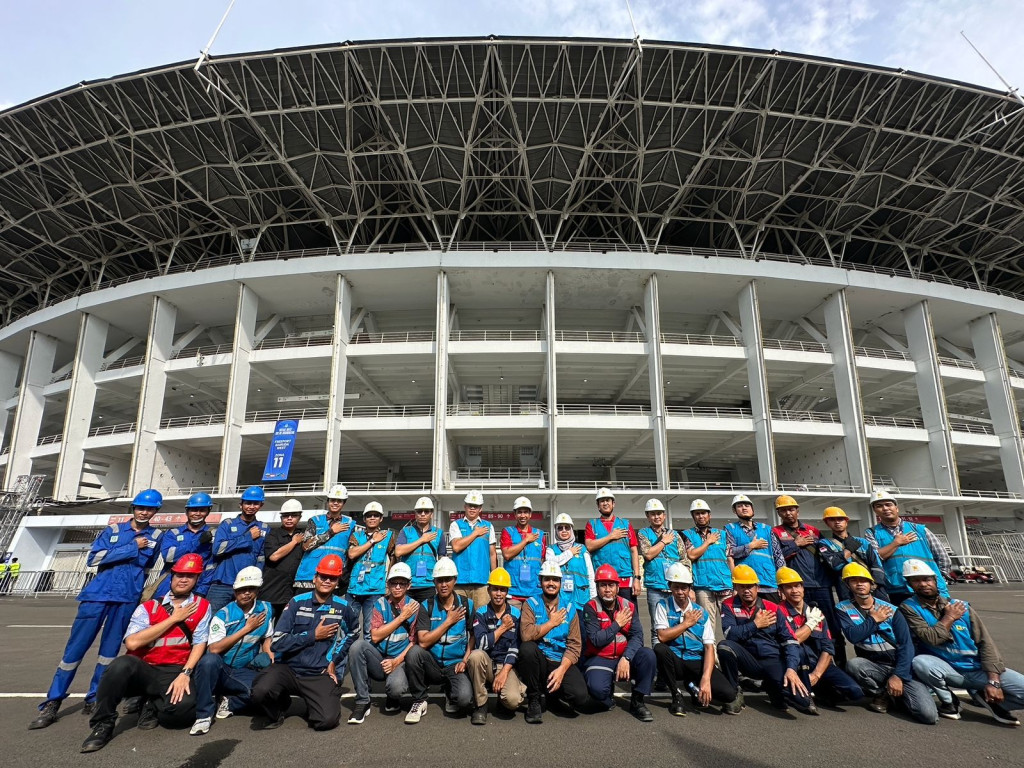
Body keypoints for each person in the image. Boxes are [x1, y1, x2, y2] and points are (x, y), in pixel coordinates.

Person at [30, 489, 164, 730]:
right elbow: (94, 558)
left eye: (150, 508)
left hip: (126, 599)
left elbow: (148, 566)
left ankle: (94, 697)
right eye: (141, 507)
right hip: (97, 596)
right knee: (74, 652)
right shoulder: (113, 531)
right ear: (133, 508)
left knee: (108, 654)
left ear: (156, 511)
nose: (145, 512)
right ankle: (52, 702)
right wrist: (131, 547)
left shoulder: (156, 536)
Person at [79, 553, 211, 753]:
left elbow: (200, 642)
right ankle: (102, 724)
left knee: (181, 716)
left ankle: (149, 703)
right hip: (145, 668)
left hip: (174, 670)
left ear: (197, 579)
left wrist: (185, 674)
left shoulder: (202, 606)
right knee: (119, 666)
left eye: (190, 576)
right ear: (171, 576)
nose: (183, 579)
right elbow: (132, 643)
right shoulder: (148, 606)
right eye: (179, 574)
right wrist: (173, 618)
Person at [901, 559, 1023, 725]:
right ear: (909, 584)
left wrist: (993, 682)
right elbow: (931, 638)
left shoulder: (962, 607)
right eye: (916, 581)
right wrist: (949, 617)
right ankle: (949, 702)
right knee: (920, 662)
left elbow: (985, 643)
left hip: (977, 668)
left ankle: (991, 702)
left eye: (927, 579)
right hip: (948, 670)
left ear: (936, 580)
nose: (923, 584)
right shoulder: (909, 608)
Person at [250, 554, 359, 730]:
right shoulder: (296, 603)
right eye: (323, 576)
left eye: (332, 578)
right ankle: (279, 708)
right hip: (288, 669)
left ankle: (316, 701)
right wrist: (312, 635)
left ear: (337, 582)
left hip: (318, 672)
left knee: (326, 721)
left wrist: (334, 661)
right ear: (315, 578)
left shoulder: (342, 607)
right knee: (260, 691)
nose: (326, 581)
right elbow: (277, 642)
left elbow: (353, 632)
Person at [834, 562, 937, 724]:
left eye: (863, 580)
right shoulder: (843, 608)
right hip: (874, 666)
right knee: (855, 665)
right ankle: (883, 692)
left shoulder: (892, 610)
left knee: (928, 716)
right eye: (854, 580)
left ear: (872, 584)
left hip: (900, 665)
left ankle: (894, 693)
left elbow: (906, 645)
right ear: (847, 584)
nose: (859, 584)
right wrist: (874, 619)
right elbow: (853, 636)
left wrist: (899, 676)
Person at [190, 565, 274, 734]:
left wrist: (271, 658)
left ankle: (229, 702)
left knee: (266, 693)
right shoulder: (223, 614)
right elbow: (214, 648)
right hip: (221, 668)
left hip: (244, 669)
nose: (246, 593)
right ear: (235, 591)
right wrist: (246, 629)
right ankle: (204, 715)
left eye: (251, 589)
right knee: (209, 660)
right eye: (242, 590)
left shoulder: (266, 609)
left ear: (258, 590)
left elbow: (267, 638)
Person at [653, 562, 741, 717]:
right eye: (676, 587)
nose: (680, 592)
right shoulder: (663, 606)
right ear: (670, 587)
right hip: (675, 660)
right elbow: (662, 636)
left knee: (728, 695)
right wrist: (686, 623)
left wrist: (706, 679)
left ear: (689, 588)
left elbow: (708, 647)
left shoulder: (701, 612)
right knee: (659, 649)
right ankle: (676, 695)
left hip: (695, 659)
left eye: (684, 588)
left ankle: (692, 684)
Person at [718, 564, 807, 714]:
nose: (746, 591)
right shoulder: (728, 605)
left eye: (750, 586)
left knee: (801, 702)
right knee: (724, 647)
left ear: (757, 587)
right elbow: (730, 634)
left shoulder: (773, 607)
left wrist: (791, 669)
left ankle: (771, 685)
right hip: (747, 660)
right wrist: (755, 624)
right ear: (736, 588)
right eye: (742, 587)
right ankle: (734, 693)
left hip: (771, 659)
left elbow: (790, 641)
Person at [518, 561, 598, 724]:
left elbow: (575, 645)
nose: (551, 583)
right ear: (540, 582)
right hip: (539, 660)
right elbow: (526, 635)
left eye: (555, 580)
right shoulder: (530, 604)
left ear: (561, 583)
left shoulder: (569, 608)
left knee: (580, 697)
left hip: (559, 660)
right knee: (527, 649)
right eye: (547, 579)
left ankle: (552, 697)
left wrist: (562, 670)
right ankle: (534, 699)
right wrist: (551, 623)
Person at [776, 566, 863, 710]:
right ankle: (798, 692)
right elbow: (792, 640)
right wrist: (811, 624)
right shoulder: (779, 611)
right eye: (789, 587)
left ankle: (819, 691)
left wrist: (817, 674)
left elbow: (827, 647)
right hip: (793, 663)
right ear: (782, 591)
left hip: (818, 664)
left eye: (797, 586)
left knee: (855, 691)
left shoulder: (816, 612)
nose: (795, 591)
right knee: (801, 700)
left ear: (803, 588)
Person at [772, 495, 845, 666]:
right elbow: (775, 558)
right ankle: (808, 665)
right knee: (801, 627)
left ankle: (841, 666)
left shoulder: (813, 530)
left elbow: (825, 555)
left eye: (791, 509)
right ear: (779, 513)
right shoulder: (775, 532)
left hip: (821, 586)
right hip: (796, 588)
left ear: (797, 510)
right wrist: (795, 544)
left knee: (832, 628)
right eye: (784, 510)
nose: (788, 513)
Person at [344, 563, 417, 724]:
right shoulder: (380, 604)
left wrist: (396, 661)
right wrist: (401, 617)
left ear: (409, 585)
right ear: (388, 583)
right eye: (393, 583)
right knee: (357, 647)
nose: (397, 587)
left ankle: (393, 697)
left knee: (396, 688)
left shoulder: (415, 607)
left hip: (400, 660)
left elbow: (415, 642)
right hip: (379, 657)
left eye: (402, 583)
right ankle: (362, 701)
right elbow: (375, 636)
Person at [581, 564, 656, 722]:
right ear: (597, 587)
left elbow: (638, 636)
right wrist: (617, 624)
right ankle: (606, 695)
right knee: (598, 691)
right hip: (600, 657)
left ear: (617, 587)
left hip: (622, 655)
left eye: (611, 585)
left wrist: (627, 657)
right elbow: (595, 640)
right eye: (603, 585)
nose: (607, 589)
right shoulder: (590, 607)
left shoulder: (628, 606)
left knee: (648, 655)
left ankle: (637, 701)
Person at [404, 557, 474, 724]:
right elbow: (423, 642)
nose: (444, 584)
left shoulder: (467, 604)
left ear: (455, 580)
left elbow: (473, 636)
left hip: (455, 665)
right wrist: (448, 621)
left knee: (463, 699)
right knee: (414, 653)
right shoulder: (426, 605)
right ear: (434, 582)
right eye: (439, 580)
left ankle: (451, 692)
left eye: (447, 580)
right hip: (432, 664)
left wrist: (465, 660)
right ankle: (420, 699)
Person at [865, 490, 952, 606]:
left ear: (896, 508)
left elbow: (943, 558)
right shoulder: (872, 533)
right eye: (879, 506)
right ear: (875, 510)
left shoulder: (920, 530)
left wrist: (939, 581)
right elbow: (874, 559)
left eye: (888, 504)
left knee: (942, 621)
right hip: (898, 590)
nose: (885, 508)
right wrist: (896, 543)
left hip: (932, 589)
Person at [466, 567, 527, 724]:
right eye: (495, 589)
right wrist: (502, 628)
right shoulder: (480, 613)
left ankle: (504, 699)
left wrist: (504, 672)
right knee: (475, 656)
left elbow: (515, 646)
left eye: (502, 590)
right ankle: (481, 705)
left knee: (513, 700)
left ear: (507, 592)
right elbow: (481, 643)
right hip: (486, 663)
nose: (498, 594)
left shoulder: (516, 614)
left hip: (506, 665)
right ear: (488, 590)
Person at [207, 486, 270, 614]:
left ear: (261, 505)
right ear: (240, 504)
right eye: (248, 503)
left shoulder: (264, 528)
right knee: (212, 619)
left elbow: (261, 558)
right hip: (223, 584)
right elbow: (217, 549)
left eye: (256, 503)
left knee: (242, 622)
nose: (251, 506)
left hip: (247, 586)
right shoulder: (228, 524)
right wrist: (247, 538)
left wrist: (255, 582)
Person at [682, 498, 732, 640]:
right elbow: (691, 554)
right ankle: (713, 659)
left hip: (725, 584)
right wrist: (708, 541)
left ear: (709, 515)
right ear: (693, 516)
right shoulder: (688, 534)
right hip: (703, 586)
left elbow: (729, 557)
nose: (701, 516)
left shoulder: (722, 534)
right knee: (707, 626)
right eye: (697, 513)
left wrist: (734, 581)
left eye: (703, 513)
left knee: (730, 624)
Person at [637, 498, 684, 645]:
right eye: (653, 514)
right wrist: (663, 541)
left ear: (664, 515)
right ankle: (659, 657)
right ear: (648, 516)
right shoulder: (643, 533)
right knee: (657, 626)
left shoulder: (675, 535)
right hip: (656, 587)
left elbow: (684, 559)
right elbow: (648, 554)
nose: (656, 516)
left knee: (677, 623)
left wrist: (689, 585)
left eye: (659, 513)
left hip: (676, 587)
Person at [817, 506, 888, 603]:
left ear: (846, 521)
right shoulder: (825, 543)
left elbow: (876, 564)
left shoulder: (862, 542)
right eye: (832, 520)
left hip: (873, 586)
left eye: (840, 519)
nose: (837, 522)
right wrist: (850, 549)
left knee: (884, 612)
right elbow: (835, 565)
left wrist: (874, 584)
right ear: (827, 523)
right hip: (846, 588)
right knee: (853, 616)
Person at [293, 484, 355, 594]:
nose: (335, 503)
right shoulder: (315, 521)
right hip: (309, 576)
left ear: (344, 503)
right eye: (333, 500)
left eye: (339, 501)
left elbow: (352, 552)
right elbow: (306, 546)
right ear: (328, 501)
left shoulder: (350, 524)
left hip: (333, 578)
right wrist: (331, 532)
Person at [153, 492, 215, 599]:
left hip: (197, 585)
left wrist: (201, 591)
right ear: (187, 511)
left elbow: (212, 566)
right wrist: (198, 542)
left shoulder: (214, 534)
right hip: (169, 584)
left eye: (202, 510)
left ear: (208, 512)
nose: (197, 513)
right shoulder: (173, 533)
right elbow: (168, 556)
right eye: (194, 510)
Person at [347, 501, 395, 640]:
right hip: (354, 589)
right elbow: (351, 554)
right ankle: (345, 659)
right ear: (364, 518)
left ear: (381, 518)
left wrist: (388, 584)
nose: (372, 518)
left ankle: (367, 659)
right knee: (350, 628)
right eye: (369, 515)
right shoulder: (357, 536)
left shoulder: (388, 537)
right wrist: (372, 541)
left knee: (370, 630)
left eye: (376, 515)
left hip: (375, 590)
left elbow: (394, 558)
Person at [725, 494, 784, 602]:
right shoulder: (730, 529)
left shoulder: (766, 529)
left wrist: (782, 582)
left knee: (774, 616)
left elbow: (778, 556)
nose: (744, 508)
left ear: (752, 509)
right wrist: (751, 546)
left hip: (769, 582)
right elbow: (730, 553)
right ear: (734, 511)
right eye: (739, 506)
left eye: (747, 505)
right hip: (746, 583)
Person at [584, 488, 640, 602]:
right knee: (604, 617)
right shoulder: (592, 524)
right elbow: (589, 546)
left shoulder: (626, 524)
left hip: (624, 579)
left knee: (628, 615)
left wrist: (637, 578)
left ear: (613, 503)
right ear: (598, 505)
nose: (605, 503)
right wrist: (611, 536)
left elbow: (634, 551)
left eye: (607, 500)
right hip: (602, 580)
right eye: (602, 501)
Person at [448, 490, 497, 610]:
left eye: (476, 506)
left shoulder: (488, 526)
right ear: (465, 506)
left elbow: (492, 554)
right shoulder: (456, 525)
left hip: (482, 583)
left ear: (480, 508)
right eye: (470, 505)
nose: (472, 508)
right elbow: (456, 546)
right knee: (458, 619)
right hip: (459, 582)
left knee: (481, 618)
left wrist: (494, 579)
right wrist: (475, 533)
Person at [260, 499, 306, 620]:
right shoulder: (273, 535)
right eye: (286, 516)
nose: (289, 518)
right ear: (281, 518)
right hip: (270, 593)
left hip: (290, 594)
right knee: (262, 630)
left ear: (299, 517)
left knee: (282, 632)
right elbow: (274, 556)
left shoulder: (303, 537)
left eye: (293, 515)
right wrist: (294, 542)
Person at [544, 512, 595, 617]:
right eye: (560, 528)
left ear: (571, 529)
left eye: (567, 527)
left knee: (583, 631)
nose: (564, 531)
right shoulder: (551, 549)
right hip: (560, 601)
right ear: (556, 530)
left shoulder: (582, 549)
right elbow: (551, 564)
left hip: (582, 601)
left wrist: (594, 598)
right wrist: (569, 553)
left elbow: (590, 574)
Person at [396, 496, 444, 602]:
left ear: (431, 514)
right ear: (415, 513)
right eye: (419, 511)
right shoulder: (406, 531)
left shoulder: (439, 533)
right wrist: (421, 540)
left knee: (426, 616)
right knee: (407, 616)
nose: (422, 514)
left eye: (426, 511)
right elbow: (398, 552)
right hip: (408, 583)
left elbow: (442, 559)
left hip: (429, 583)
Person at [501, 496, 546, 605]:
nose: (523, 515)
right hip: (513, 591)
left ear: (530, 514)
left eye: (526, 512)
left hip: (535, 591)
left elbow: (543, 560)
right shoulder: (507, 532)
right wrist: (526, 540)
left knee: (535, 621)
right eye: (519, 512)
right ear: (515, 514)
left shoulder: (540, 534)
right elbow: (506, 554)